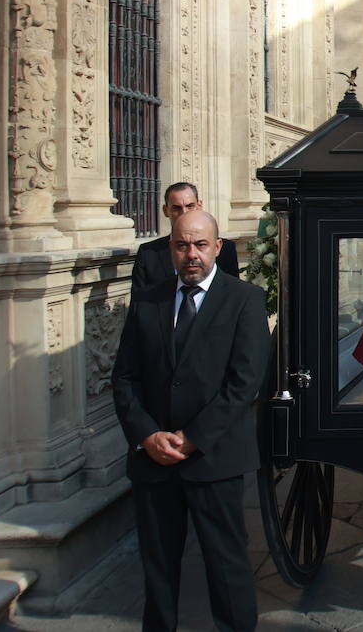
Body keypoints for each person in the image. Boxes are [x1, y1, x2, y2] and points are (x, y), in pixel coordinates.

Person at [112, 211, 270, 632]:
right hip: (154, 460)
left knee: (226, 565)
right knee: (159, 567)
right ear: (170, 248)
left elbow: (244, 383)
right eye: (182, 245)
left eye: (200, 245)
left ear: (218, 247)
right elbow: (125, 377)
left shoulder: (245, 300)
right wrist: (147, 434)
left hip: (215, 459)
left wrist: (193, 438)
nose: (191, 255)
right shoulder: (148, 301)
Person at [132, 182, 240, 293]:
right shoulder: (148, 253)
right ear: (166, 210)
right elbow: (139, 305)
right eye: (176, 208)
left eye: (190, 206)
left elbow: (233, 295)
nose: (184, 212)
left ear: (199, 206)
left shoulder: (226, 249)